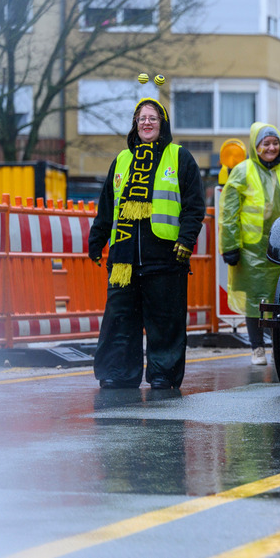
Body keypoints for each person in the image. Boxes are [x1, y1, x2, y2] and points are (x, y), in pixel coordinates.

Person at [88, 95, 206, 389]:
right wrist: (97, 239)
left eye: (153, 118)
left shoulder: (179, 157)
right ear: (135, 124)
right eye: (142, 118)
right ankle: (117, 373)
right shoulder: (121, 160)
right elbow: (107, 206)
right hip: (123, 258)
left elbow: (194, 206)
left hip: (165, 256)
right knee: (119, 320)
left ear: (162, 123)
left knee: (165, 322)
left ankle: (163, 375)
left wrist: (186, 240)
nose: (147, 123)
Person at [220, 123, 280, 365]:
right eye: (265, 144)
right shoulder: (242, 171)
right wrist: (230, 245)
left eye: (275, 143)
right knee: (254, 301)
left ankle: (279, 346)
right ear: (255, 147)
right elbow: (229, 212)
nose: (271, 148)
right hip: (252, 250)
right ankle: (257, 348)